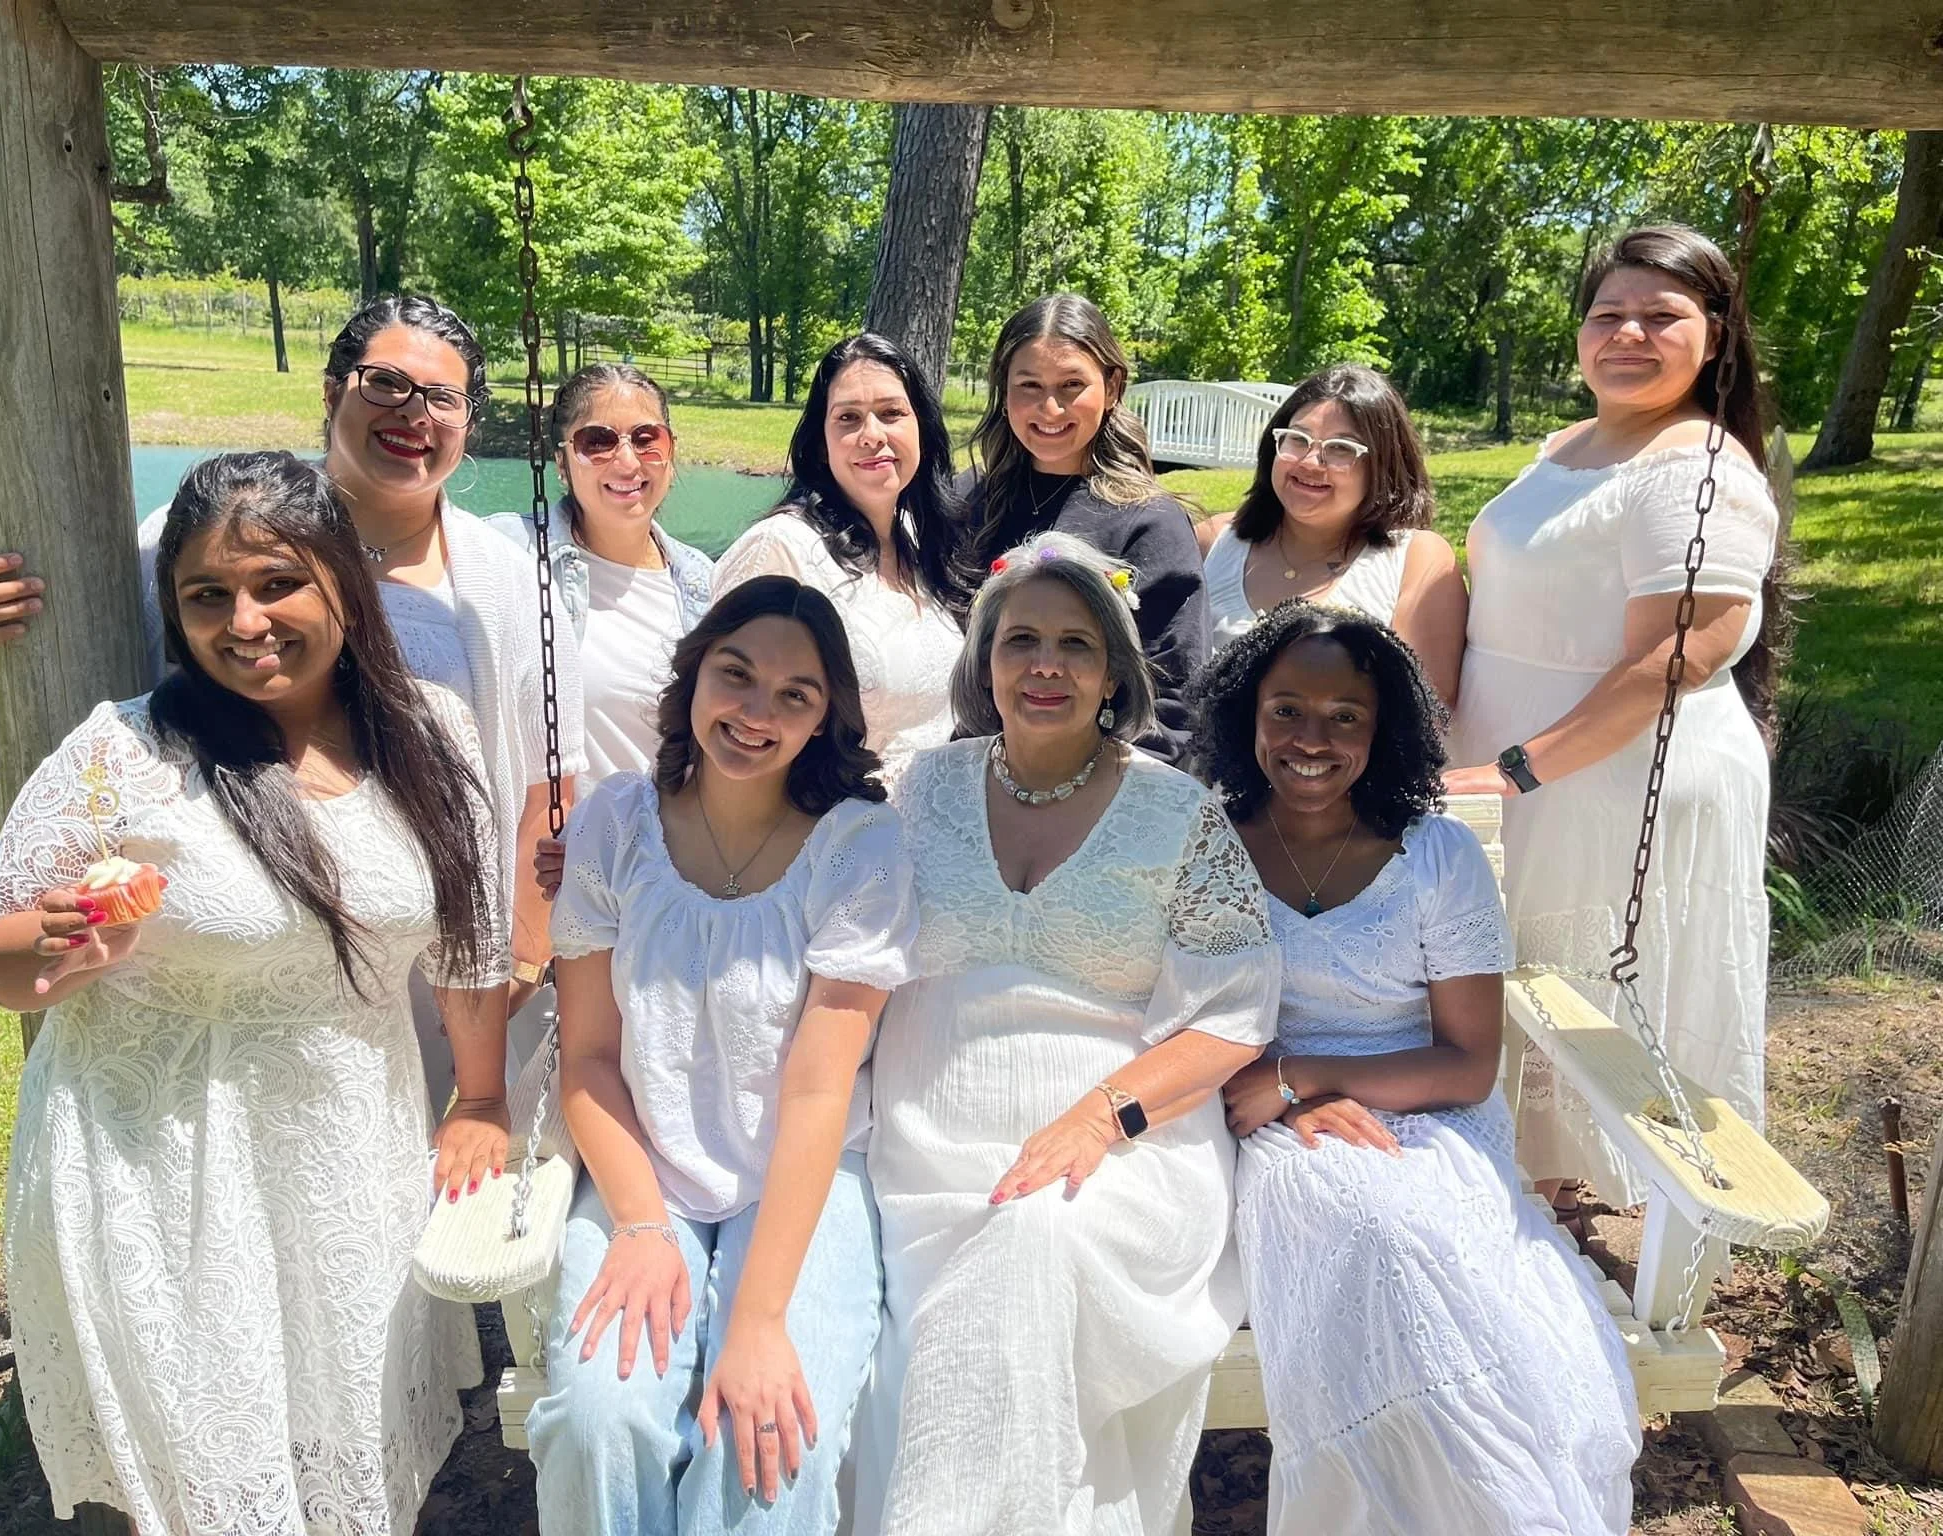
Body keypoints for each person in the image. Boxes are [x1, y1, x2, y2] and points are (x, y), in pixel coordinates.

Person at [0, 452, 513, 1535]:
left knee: (354, 1461)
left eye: (275, 583)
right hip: (162, 1173)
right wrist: (51, 948)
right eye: (207, 596)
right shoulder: (125, 751)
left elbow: (468, 939)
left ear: (343, 581)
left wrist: (480, 1098)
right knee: (224, 1485)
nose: (244, 621)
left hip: (346, 1160)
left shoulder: (431, 732)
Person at [0, 293, 581, 1097]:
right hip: (218, 956)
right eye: (386, 384)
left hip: (430, 976)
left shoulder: (505, 584)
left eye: (444, 397)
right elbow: (64, 650)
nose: (415, 414)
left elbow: (548, 786)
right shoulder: (193, 533)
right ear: (332, 391)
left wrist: (517, 961)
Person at [858, 532, 1279, 1536]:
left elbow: (1231, 1016)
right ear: (983, 661)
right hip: (924, 1156)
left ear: (1113, 675)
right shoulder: (913, 793)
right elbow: (791, 888)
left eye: (1075, 646)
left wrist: (1098, 1120)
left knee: (1035, 1238)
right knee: (976, 1290)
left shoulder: (1176, 815)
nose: (1044, 667)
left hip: (1125, 1152)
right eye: (1021, 642)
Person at [1191, 600, 1639, 1536]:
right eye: (1287, 710)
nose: (1313, 737)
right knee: (1370, 1230)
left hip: (1425, 1111)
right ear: (1248, 714)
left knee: (1424, 1237)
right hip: (1269, 1124)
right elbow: (1187, 1020)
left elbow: (1469, 1064)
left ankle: (1493, 1504)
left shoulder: (1436, 856)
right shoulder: (1207, 848)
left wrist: (1304, 1075)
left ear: (1382, 727)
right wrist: (1284, 1096)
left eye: (1346, 716)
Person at [526, 576, 918, 1535]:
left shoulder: (857, 848)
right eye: (735, 676)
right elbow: (586, 1059)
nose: (755, 713)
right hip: (642, 1165)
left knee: (766, 1441)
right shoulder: (618, 825)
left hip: (802, 1177)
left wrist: (756, 1317)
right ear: (693, 675)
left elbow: (822, 1087)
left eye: (796, 696)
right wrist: (645, 1226)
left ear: (827, 720)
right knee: (596, 1421)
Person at [1446, 225, 1785, 1211]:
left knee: (1580, 983)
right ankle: (1516, 1185)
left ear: (1713, 337)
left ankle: (1575, 1208)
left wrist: (1516, 767)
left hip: (1606, 775)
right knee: (1512, 974)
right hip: (1522, 761)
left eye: (1659, 315)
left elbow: (1679, 652)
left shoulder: (1696, 470)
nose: (1626, 333)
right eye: (1607, 315)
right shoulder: (1570, 444)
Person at [959, 294, 1207, 762]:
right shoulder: (967, 503)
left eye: (1071, 384)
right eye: (1028, 385)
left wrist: (1086, 799)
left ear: (1112, 387)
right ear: (1003, 389)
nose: (1049, 408)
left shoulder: (1150, 523)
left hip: (1096, 790)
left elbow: (1176, 701)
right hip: (961, 779)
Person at [712, 334, 967, 785]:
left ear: (921, 428)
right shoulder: (780, 549)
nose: (872, 436)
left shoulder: (923, 541)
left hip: (934, 829)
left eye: (891, 414)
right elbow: (726, 719)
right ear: (821, 443)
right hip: (830, 831)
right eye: (848, 418)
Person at [488, 362, 714, 785]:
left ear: (671, 452)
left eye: (648, 440)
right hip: (541, 845)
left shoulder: (706, 584)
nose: (627, 462)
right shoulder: (507, 551)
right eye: (598, 441)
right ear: (561, 463)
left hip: (660, 848)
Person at [1197, 364, 1466, 705]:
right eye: (1297, 439)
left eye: (1341, 448)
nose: (1310, 461)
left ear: (1383, 465)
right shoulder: (1212, 540)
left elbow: (1428, 714)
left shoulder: (1417, 560)